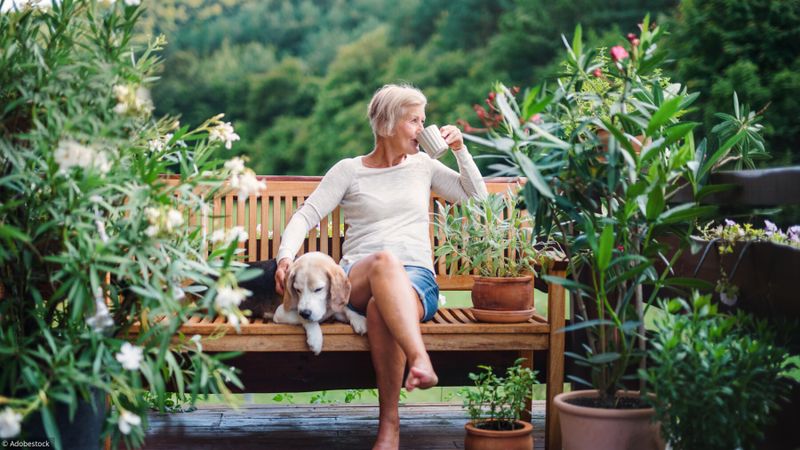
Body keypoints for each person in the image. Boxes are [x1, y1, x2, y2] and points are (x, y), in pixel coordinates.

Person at [274, 83, 488, 450]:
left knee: (379, 308)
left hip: (416, 280)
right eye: (414, 121)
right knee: (384, 261)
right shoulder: (349, 171)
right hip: (355, 278)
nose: (423, 129)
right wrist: (285, 256)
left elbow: (477, 198)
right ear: (388, 125)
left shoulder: (424, 166)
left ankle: (389, 428)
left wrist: (460, 150)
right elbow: (306, 215)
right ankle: (420, 359)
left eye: (424, 120)